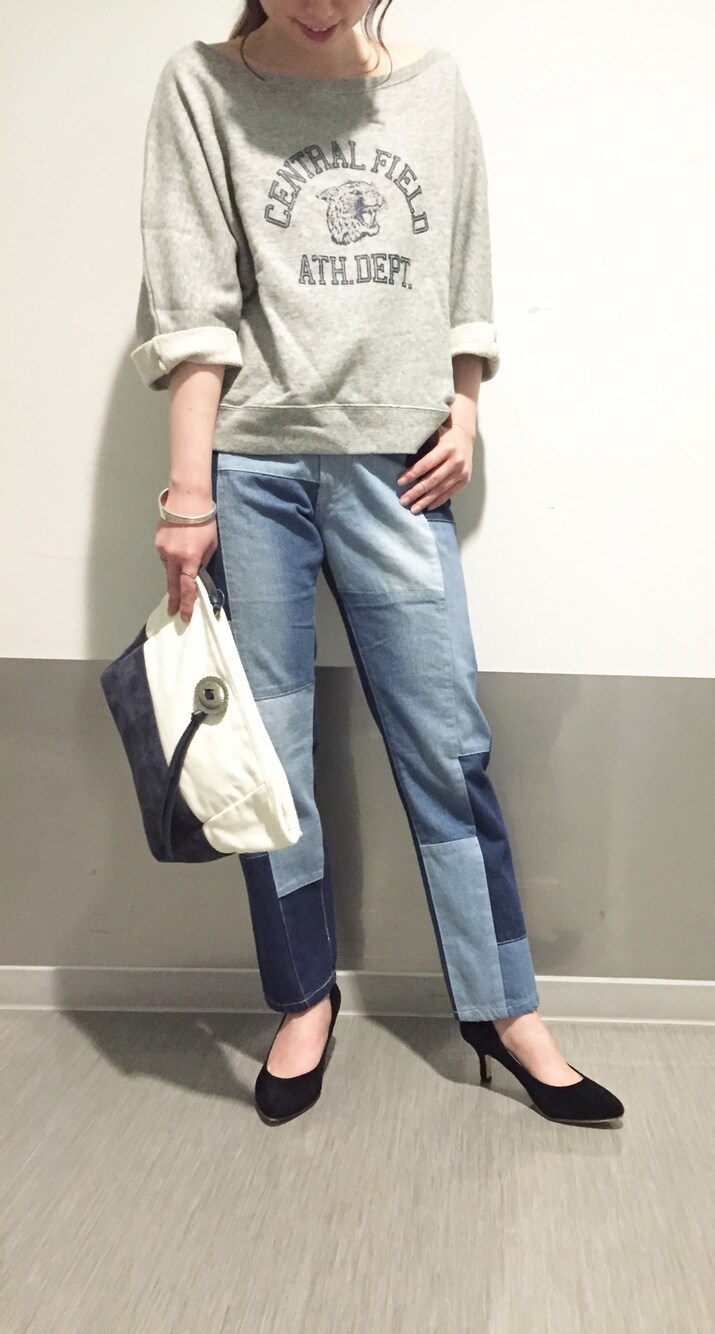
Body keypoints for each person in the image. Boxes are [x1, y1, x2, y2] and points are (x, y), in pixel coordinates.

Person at [132, 0, 624, 1128]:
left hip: (398, 470)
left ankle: (505, 1011)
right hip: (252, 473)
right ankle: (304, 997)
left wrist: (466, 408)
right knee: (271, 759)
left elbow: (463, 266)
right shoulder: (202, 86)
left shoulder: (431, 87)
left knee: (450, 747)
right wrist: (189, 494)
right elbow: (193, 301)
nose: (321, 9)